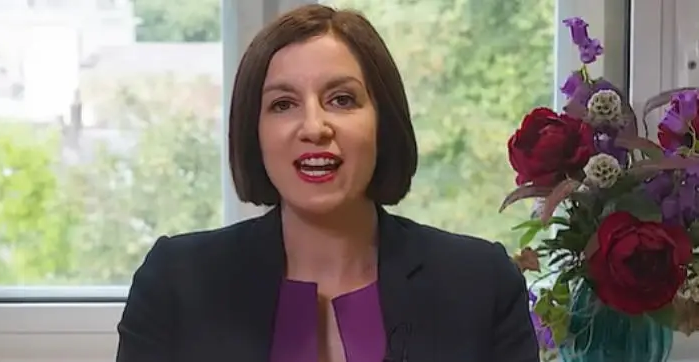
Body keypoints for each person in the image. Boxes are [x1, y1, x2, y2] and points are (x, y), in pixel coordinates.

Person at [116, 4, 539, 362]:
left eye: (341, 99)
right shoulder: (175, 283)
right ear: (253, 132)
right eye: (283, 104)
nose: (314, 127)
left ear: (383, 121)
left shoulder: (482, 285)